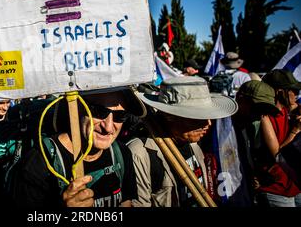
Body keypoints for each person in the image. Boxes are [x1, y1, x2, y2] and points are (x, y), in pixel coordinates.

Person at [12, 87, 147, 207]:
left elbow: (126, 203)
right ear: (75, 108)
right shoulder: (40, 161)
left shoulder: (121, 153)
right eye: (99, 112)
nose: (109, 127)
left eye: (120, 116)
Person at [128, 76, 238, 207]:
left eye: (208, 116)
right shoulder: (140, 153)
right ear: (170, 116)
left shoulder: (194, 146)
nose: (208, 123)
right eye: (198, 117)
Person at [253, 69, 301, 207]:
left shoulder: (286, 110)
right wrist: (295, 130)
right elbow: (277, 155)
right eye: (294, 90)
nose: (297, 94)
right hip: (275, 187)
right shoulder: (265, 116)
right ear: (281, 92)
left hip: (293, 183)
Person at [230, 80, 280, 206]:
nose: (259, 114)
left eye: (264, 111)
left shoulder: (254, 124)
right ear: (240, 98)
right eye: (256, 107)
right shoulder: (220, 125)